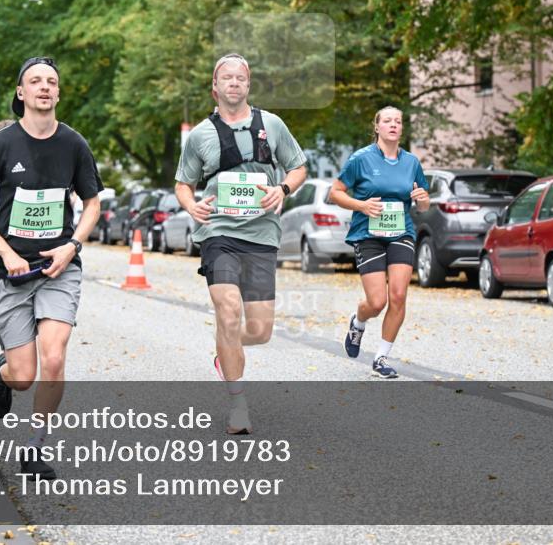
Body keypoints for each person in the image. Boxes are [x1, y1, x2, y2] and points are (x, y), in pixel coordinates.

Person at [0, 56, 102, 481]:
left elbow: (92, 203)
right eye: (36, 81)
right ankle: (3, 372)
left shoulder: (74, 144)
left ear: (58, 92)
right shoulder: (1, 145)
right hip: (11, 271)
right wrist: (6, 252)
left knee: (54, 358)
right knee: (23, 376)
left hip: (59, 267)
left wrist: (72, 245)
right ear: (21, 92)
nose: (45, 87)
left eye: (51, 82)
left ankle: (35, 447)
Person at [174, 53, 307, 434]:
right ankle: (238, 405)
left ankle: (225, 348)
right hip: (219, 233)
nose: (234, 83)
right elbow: (183, 183)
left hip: (262, 234)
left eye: (240, 78)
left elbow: (298, 167)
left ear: (248, 85)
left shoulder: (272, 124)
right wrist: (191, 206)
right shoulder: (200, 135)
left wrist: (283, 189)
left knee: (260, 330)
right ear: (215, 87)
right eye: (227, 78)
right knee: (229, 310)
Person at [329, 106, 430, 379]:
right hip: (368, 235)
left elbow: (423, 205)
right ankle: (358, 321)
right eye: (387, 121)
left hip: (401, 233)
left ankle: (381, 358)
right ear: (377, 127)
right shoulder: (361, 159)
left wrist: (423, 200)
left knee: (398, 296)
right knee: (376, 302)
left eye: (398, 121)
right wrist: (361, 205)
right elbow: (335, 193)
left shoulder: (411, 162)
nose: (393, 125)